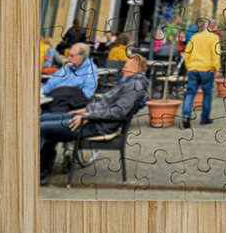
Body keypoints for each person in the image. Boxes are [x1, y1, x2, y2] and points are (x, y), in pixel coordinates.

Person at [39, 55, 149, 185]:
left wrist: (88, 116)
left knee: (43, 128)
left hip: (98, 126)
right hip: (93, 119)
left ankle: (40, 173)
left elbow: (118, 112)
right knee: (43, 118)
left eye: (126, 66)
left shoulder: (135, 85)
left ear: (136, 69)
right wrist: (84, 111)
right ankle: (44, 165)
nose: (123, 68)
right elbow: (104, 104)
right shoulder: (128, 82)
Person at [180, 20, 221, 128]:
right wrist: (217, 67)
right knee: (207, 93)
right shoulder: (214, 38)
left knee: (190, 93)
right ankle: (204, 117)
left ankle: (186, 115)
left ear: (204, 27)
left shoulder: (194, 37)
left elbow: (187, 53)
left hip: (193, 68)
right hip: (207, 69)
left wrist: (188, 66)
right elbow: (215, 54)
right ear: (214, 28)